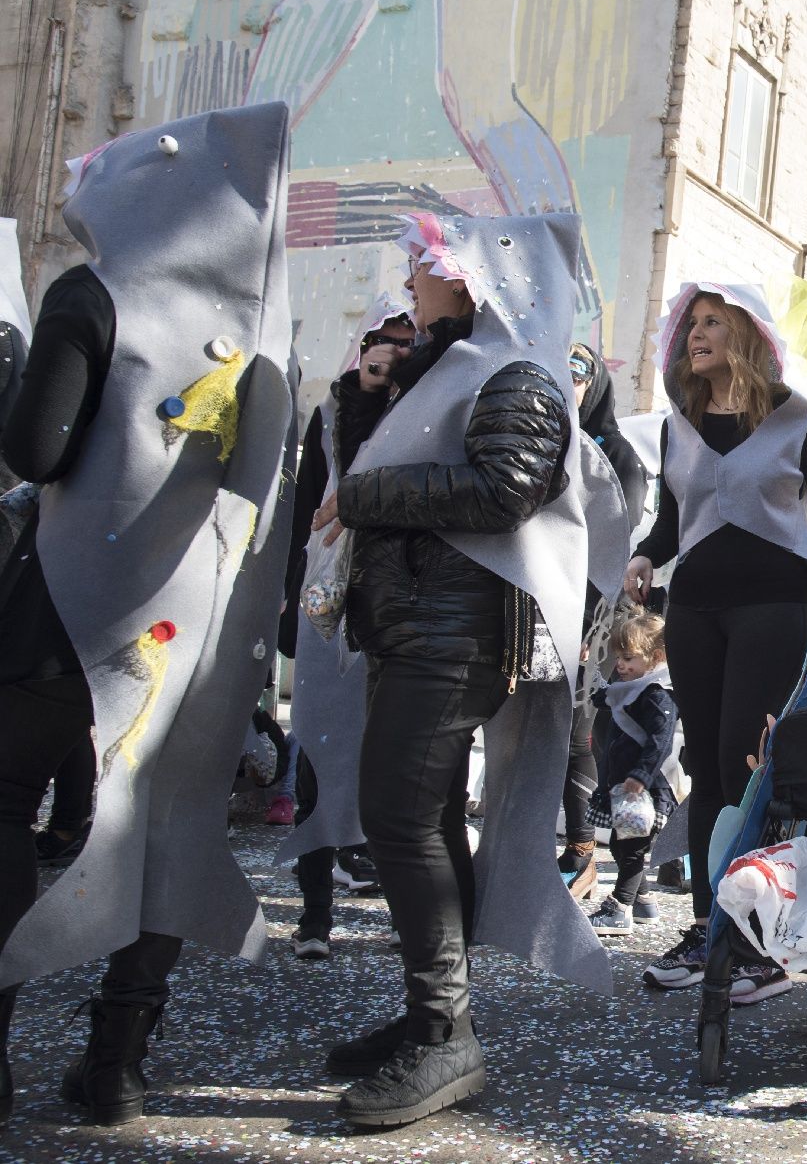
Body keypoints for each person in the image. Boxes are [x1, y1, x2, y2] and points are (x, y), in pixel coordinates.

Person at [0, 103, 298, 1125]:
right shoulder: (260, 329)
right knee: (165, 826)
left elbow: (37, 450)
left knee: (6, 803)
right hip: (186, 635)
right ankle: (117, 1059)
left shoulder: (91, 294)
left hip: (58, 620)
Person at [311, 212, 608, 1128]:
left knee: (401, 816)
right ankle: (428, 1017)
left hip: (456, 632)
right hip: (415, 624)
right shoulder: (451, 364)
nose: (410, 281)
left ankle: (445, 1036)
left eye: (422, 266)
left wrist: (362, 495)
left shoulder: (514, 370)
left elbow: (505, 489)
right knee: (419, 817)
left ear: (471, 277)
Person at [623, 282, 807, 1003]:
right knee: (702, 769)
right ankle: (711, 923)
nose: (697, 334)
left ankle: (760, 935)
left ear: (746, 335)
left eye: (714, 322)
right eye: (692, 324)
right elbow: (672, 516)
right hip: (695, 609)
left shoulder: (796, 419)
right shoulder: (676, 423)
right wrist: (646, 554)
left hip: (773, 606)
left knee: (742, 764)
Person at [276, 304, 414, 960]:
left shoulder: (427, 414)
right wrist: (285, 597)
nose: (390, 354)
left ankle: (402, 910)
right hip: (326, 598)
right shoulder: (330, 414)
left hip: (401, 604)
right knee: (317, 753)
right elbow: (303, 505)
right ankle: (314, 917)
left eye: (406, 344)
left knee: (396, 763)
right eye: (380, 343)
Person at [558, 341, 650, 902]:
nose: (567, 384)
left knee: (577, 734)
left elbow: (620, 528)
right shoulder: (537, 434)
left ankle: (583, 852)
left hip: (588, 611)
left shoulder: (616, 452)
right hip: (529, 605)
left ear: (593, 385)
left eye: (577, 373)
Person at [583, 613, 680, 934]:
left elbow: (660, 741)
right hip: (627, 786)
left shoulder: (656, 694)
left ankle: (619, 908)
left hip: (645, 790)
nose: (620, 665)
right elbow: (604, 697)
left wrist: (641, 775)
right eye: (619, 658)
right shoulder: (633, 687)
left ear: (656, 658)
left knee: (631, 849)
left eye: (628, 658)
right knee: (619, 843)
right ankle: (644, 902)